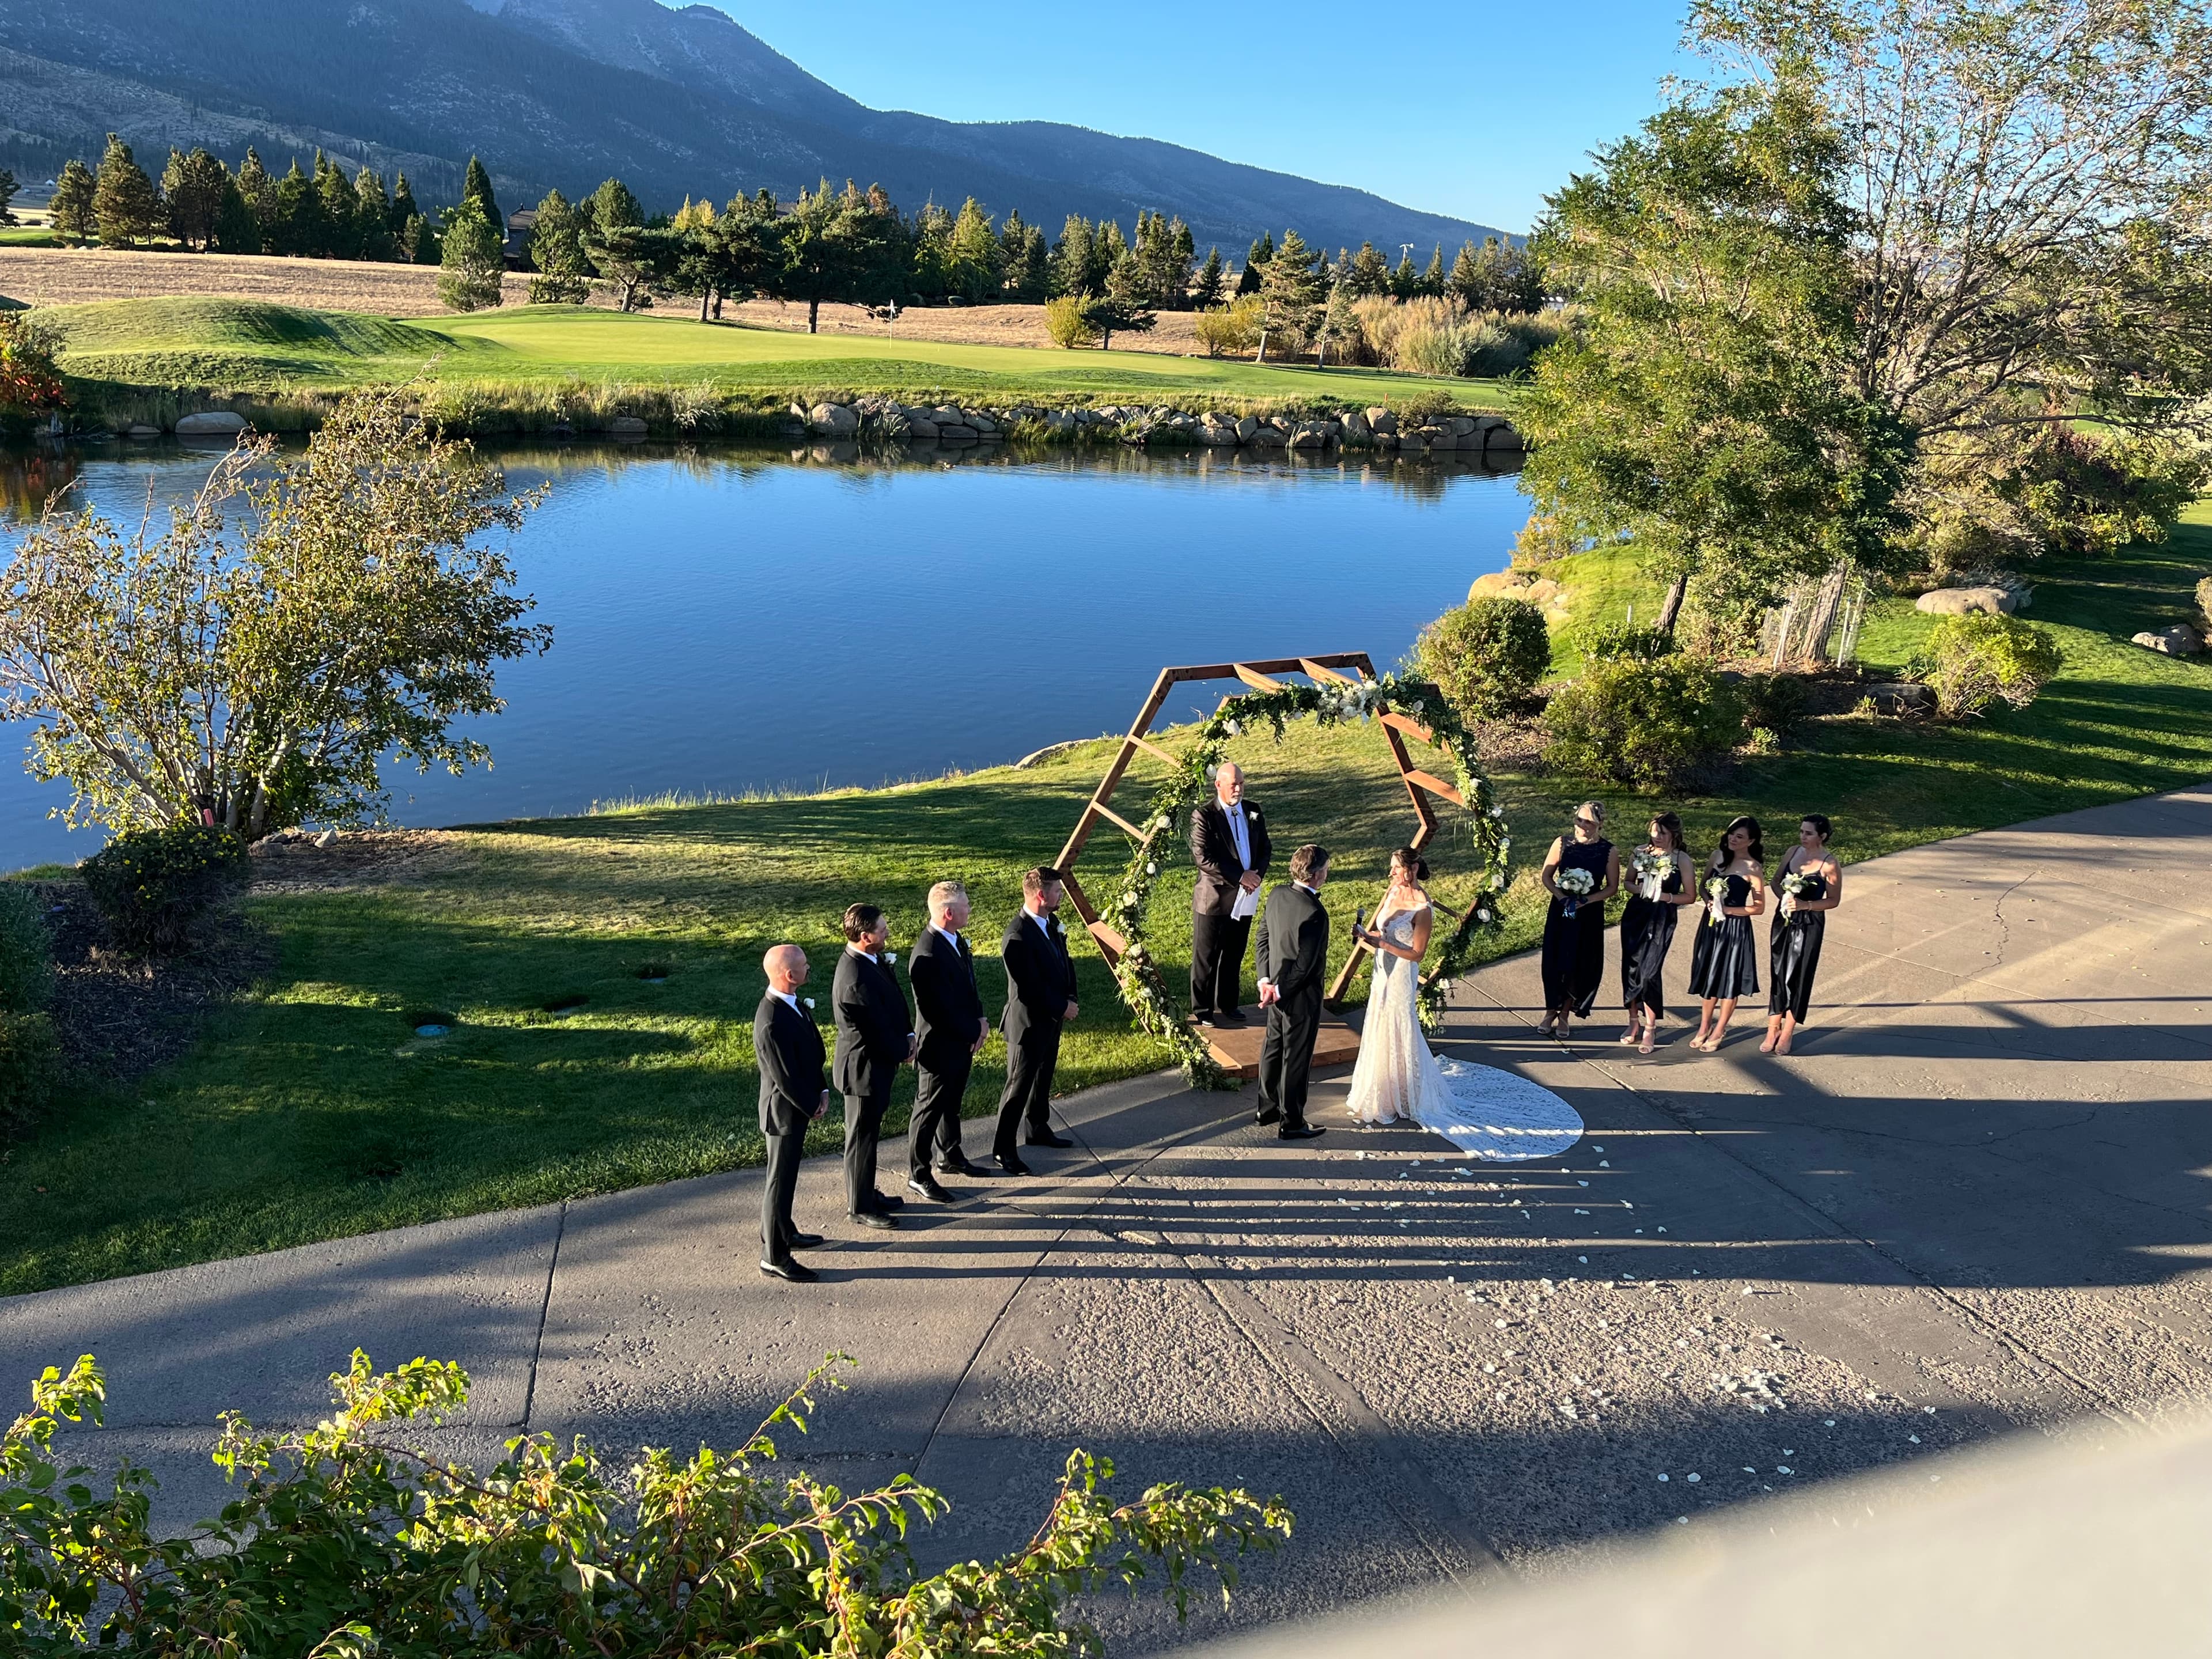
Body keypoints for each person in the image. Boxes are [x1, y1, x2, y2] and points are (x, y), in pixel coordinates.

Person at [1344, 847, 1590, 1157]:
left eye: (1396, 867)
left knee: (1399, 1026)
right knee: (1379, 1023)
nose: (1391, 872)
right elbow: (1384, 932)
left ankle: (1406, 1093)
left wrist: (1382, 943)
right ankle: (1381, 1087)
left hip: (1402, 975)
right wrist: (1368, 935)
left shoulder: (1423, 907)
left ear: (1413, 869)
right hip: (1382, 970)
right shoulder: (1393, 891)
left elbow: (1417, 954)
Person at [831, 903, 914, 1230]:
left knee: (869, 1134)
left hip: (876, 1066)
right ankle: (859, 1205)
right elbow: (874, 1029)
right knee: (861, 1139)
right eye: (882, 930)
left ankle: (867, 1192)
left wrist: (909, 1035)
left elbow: (894, 1002)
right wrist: (903, 1051)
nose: (887, 933)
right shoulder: (855, 978)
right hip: (862, 1070)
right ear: (865, 937)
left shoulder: (871, 960)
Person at [908, 878, 988, 1199]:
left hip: (960, 1040)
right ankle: (918, 1173)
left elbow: (969, 986)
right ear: (949, 913)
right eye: (965, 906)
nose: (970, 909)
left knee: (951, 1104)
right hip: (939, 1047)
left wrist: (980, 1021)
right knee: (928, 1110)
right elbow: (938, 1011)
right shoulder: (928, 954)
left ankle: (950, 1155)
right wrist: (973, 1030)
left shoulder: (955, 940)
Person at [754, 944, 830, 1283]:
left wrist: (822, 1089)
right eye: (804, 965)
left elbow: (812, 1051)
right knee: (779, 1184)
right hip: (784, 1114)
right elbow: (785, 1078)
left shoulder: (792, 1003)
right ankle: (774, 1256)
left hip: (796, 1108)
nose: (808, 968)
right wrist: (811, 1104)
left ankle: (785, 1231)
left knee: (786, 1180)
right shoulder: (771, 1021)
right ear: (789, 974)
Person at [995, 866, 1078, 1174]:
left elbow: (1064, 962)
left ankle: (1037, 1127)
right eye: (1057, 891)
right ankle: (1003, 1150)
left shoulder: (1050, 923)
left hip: (1051, 1020)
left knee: (1043, 1079)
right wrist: (1061, 1006)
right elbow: (1028, 987)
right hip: (1028, 1025)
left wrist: (1071, 997)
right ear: (1042, 895)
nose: (1061, 896)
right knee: (1018, 1088)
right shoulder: (1018, 935)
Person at [1253, 843, 1332, 1141]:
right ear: (1316, 875)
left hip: (1273, 990)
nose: (1326, 874)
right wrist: (1278, 990)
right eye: (1326, 870)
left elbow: (1263, 937)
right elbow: (1305, 966)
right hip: (1299, 996)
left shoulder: (1276, 894)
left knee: (1273, 1047)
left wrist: (1265, 980)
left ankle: (1266, 1109)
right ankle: (1292, 1122)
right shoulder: (1315, 913)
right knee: (1297, 1057)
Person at [1189, 761, 1272, 1028]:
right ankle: (1203, 1009)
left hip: (1246, 896)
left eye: (1242, 784)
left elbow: (1265, 848)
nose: (1239, 789)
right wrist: (1240, 876)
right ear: (1219, 784)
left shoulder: (1253, 811)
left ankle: (1229, 1003)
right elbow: (1203, 857)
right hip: (1214, 898)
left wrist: (1257, 875)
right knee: (1207, 956)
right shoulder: (1204, 816)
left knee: (1234, 953)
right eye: (1234, 784)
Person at [1537, 801, 1620, 1040]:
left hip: (1589, 914)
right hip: (1560, 910)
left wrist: (1586, 900)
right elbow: (1547, 876)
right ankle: (1550, 1010)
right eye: (1579, 820)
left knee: (1579, 962)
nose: (1582, 826)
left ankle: (1565, 1013)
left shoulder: (1609, 851)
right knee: (1554, 960)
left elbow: (1612, 887)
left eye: (1589, 822)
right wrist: (1562, 897)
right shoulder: (1561, 843)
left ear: (1600, 824)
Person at [1619, 811, 1698, 1056]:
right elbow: (1628, 882)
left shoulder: (1681, 859)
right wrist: (1640, 889)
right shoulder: (1640, 852)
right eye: (1654, 831)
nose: (1657, 836)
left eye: (1662, 833)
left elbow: (1690, 895)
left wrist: (1665, 897)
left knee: (1650, 973)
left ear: (1673, 834)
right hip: (1636, 914)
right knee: (1631, 969)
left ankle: (1650, 1028)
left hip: (1662, 917)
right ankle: (1633, 1020)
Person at [1764, 814, 1842, 1055]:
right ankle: (1772, 1029)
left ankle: (1788, 1031)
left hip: (1810, 923)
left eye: (1808, 833)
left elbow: (1833, 901)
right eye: (1801, 832)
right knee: (1778, 971)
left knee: (1800, 974)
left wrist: (1805, 906)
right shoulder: (1792, 852)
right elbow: (1776, 881)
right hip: (1784, 920)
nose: (1803, 836)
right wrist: (1785, 899)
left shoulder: (1829, 864)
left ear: (1822, 836)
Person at [1688, 815, 1766, 1051]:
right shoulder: (1717, 856)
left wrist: (1729, 910)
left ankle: (1720, 1028)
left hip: (1735, 928)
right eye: (1732, 833)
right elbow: (1703, 886)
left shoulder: (1753, 868)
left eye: (1740, 836)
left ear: (1751, 841)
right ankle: (1704, 1026)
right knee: (1710, 974)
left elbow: (1759, 907)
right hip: (1711, 925)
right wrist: (1709, 901)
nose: (1733, 839)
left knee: (1729, 978)